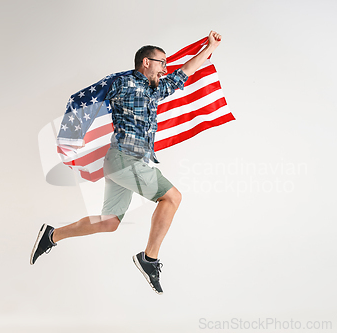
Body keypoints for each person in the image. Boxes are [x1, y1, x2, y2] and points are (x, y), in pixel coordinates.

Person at [30, 31, 222, 294]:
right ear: (146, 61)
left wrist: (210, 47)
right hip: (124, 159)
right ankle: (149, 259)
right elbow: (83, 99)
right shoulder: (121, 82)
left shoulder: (156, 89)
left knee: (109, 223)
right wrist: (72, 139)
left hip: (123, 161)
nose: (165, 68)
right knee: (172, 198)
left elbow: (185, 72)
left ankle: (52, 235)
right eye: (162, 62)